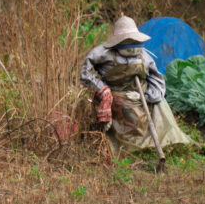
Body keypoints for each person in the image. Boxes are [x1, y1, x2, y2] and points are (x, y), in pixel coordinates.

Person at [80, 14, 193, 151]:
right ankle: (125, 145)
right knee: (127, 108)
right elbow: (85, 72)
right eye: (129, 46)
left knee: (160, 106)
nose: (133, 50)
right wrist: (102, 89)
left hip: (140, 91)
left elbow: (156, 78)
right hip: (117, 92)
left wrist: (146, 96)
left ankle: (163, 141)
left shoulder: (144, 56)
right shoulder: (103, 54)